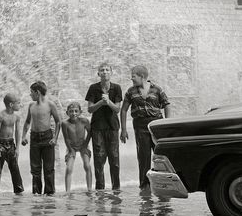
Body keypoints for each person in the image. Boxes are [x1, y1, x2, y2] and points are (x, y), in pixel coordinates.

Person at [120, 65, 170, 190]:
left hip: (156, 125)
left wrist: (168, 124)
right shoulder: (131, 91)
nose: (131, 79)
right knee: (143, 157)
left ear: (142, 77)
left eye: (133, 76)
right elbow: (124, 110)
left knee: (160, 156)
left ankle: (164, 184)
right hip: (140, 125)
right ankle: (144, 185)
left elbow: (167, 105)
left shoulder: (157, 89)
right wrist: (124, 129)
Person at [85, 62, 123, 190]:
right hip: (97, 128)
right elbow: (90, 109)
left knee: (114, 159)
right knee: (99, 159)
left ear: (111, 73)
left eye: (107, 70)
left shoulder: (116, 88)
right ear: (98, 73)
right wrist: (101, 102)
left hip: (112, 127)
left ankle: (116, 188)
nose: (105, 72)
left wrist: (108, 102)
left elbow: (117, 109)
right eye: (102, 70)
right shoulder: (93, 88)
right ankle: (100, 189)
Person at [21, 81, 61, 195]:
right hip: (34, 138)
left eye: (31, 92)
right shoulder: (31, 106)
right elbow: (28, 121)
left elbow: (58, 122)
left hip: (47, 138)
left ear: (37, 92)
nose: (30, 95)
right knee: (35, 169)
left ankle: (49, 193)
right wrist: (23, 136)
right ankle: (37, 193)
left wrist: (55, 139)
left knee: (49, 168)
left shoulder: (50, 104)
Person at [0, 91, 24, 195]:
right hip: (0, 144)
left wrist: (17, 148)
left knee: (14, 167)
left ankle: (18, 190)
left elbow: (18, 132)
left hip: (11, 144)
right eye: (18, 103)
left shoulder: (16, 117)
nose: (20, 105)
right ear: (11, 104)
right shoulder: (1, 116)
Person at [61, 102, 92, 193]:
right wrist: (71, 150)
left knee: (87, 165)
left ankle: (89, 188)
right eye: (71, 111)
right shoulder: (65, 124)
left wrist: (85, 146)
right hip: (71, 147)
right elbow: (66, 138)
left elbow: (90, 133)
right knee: (69, 168)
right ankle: (67, 191)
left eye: (76, 111)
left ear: (80, 112)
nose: (73, 113)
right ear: (67, 113)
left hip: (83, 144)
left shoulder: (84, 121)